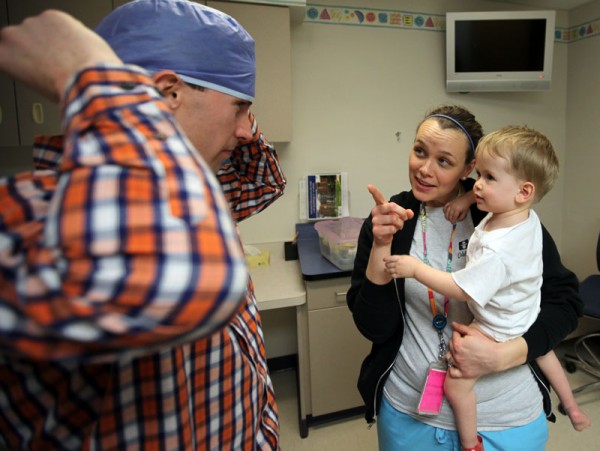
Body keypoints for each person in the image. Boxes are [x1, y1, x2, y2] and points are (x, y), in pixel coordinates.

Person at [0, 1, 285, 449]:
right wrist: (96, 77)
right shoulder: (28, 216)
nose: (249, 131)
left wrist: (220, 85)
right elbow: (186, 281)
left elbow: (262, 179)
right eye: (239, 108)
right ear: (167, 94)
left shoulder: (195, 191)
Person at [346, 105, 583, 451]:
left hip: (506, 418)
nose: (424, 170)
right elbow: (373, 327)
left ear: (468, 169)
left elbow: (564, 304)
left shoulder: (506, 218)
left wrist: (506, 355)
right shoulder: (390, 220)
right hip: (410, 417)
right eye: (419, 152)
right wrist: (382, 245)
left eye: (444, 161)